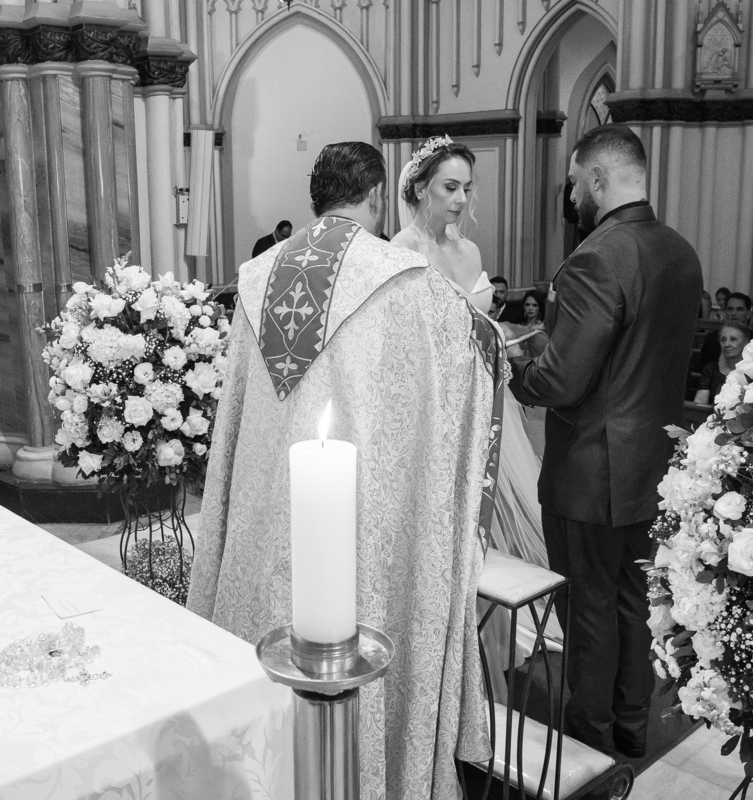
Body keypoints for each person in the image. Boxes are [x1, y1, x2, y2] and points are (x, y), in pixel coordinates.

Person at [189, 141, 498, 800]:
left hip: (266, 516)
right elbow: (460, 376)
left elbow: (238, 410)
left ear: (317, 197)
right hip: (355, 531)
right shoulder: (408, 280)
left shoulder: (257, 275)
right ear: (379, 196)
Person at [508, 123, 703, 758]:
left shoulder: (596, 256)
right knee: (633, 604)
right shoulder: (680, 251)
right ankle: (631, 727)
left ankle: (588, 743)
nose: (571, 196)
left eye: (574, 182)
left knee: (588, 608)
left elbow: (562, 381)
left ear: (598, 177)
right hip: (655, 467)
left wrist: (512, 364)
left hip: (591, 471)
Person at [391, 134, 555, 660]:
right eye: (449, 187)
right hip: (435, 404)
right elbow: (403, 343)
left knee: (496, 506)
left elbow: (478, 324)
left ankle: (498, 629)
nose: (461, 199)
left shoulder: (471, 251)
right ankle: (451, 632)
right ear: (420, 188)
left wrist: (498, 338)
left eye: (467, 187)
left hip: (483, 393)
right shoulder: (401, 251)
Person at [692, 322, 748, 405]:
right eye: (723, 340)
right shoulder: (711, 368)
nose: (726, 344)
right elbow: (700, 403)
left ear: (745, 342)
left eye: (733, 339)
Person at [696, 291, 751, 368]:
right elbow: (702, 368)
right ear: (725, 313)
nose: (734, 313)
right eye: (730, 309)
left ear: (748, 314)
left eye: (739, 309)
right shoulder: (711, 339)